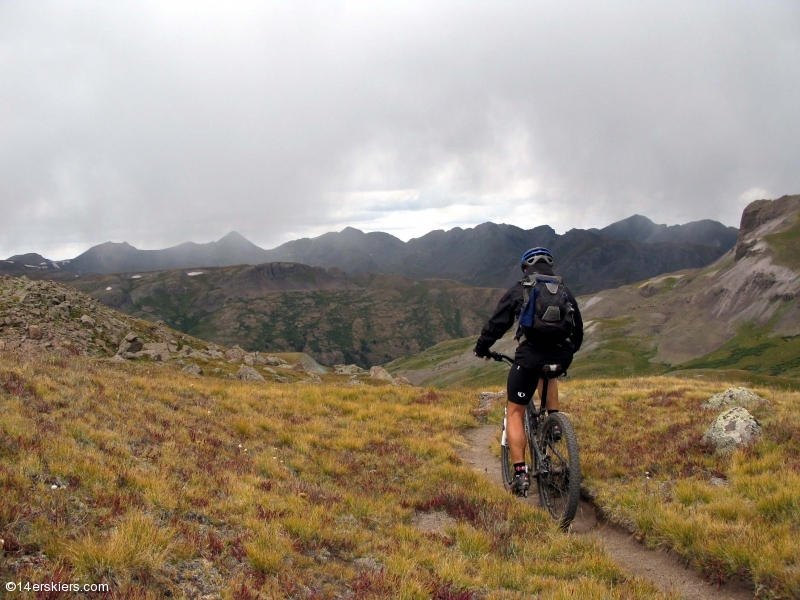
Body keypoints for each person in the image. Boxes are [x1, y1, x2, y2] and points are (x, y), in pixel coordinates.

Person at [473, 247, 584, 496]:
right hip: (561, 356)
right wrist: (567, 352)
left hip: (530, 356)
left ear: (526, 268)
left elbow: (497, 324)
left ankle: (521, 472)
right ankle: (554, 423)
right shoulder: (564, 290)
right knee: (549, 372)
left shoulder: (521, 288)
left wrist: (482, 348)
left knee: (514, 411)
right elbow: (578, 331)